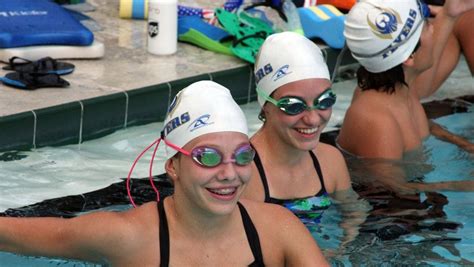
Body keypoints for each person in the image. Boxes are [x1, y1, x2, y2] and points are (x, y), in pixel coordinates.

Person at [0, 81, 329, 266]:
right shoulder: (129, 237)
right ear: (174, 166)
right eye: (207, 157)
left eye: (242, 156)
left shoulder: (278, 228)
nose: (230, 173)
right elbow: (16, 235)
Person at [242, 31, 366, 240]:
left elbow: (354, 213)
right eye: (293, 105)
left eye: (324, 101)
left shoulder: (330, 161)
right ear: (265, 106)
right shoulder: (243, 173)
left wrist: (344, 248)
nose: (313, 119)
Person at [338, 0, 474, 160]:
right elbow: (390, 185)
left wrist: (465, 145)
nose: (432, 29)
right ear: (410, 56)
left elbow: (422, 127)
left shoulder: (401, 89)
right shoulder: (379, 122)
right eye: (427, 26)